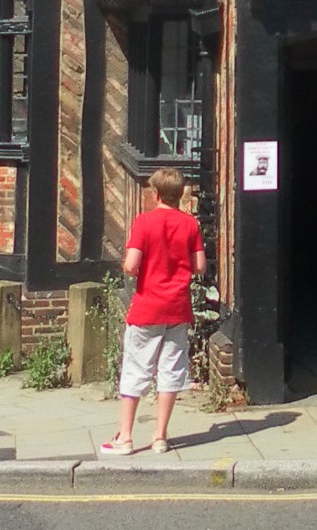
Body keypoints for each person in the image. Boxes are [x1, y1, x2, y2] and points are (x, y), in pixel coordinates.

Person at [99, 167, 205, 456]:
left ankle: (126, 438)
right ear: (180, 194)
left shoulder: (144, 222)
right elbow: (199, 266)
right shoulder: (190, 224)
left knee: (136, 370)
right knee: (170, 371)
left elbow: (132, 265)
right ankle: (160, 437)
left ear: (155, 193)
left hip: (147, 308)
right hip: (178, 308)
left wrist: (134, 267)